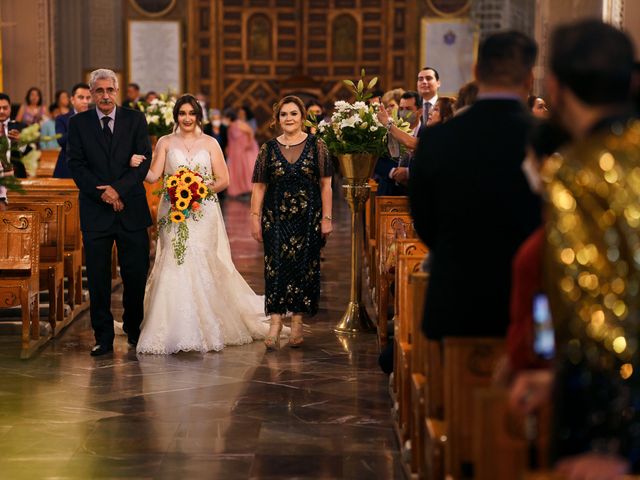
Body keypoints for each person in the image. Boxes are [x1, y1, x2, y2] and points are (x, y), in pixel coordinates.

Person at [509, 20, 640, 478]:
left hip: (613, 409)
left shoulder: (577, 170)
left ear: (556, 87)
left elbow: (580, 301)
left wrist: (609, 438)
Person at [409, 31, 541, 340]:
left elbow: (424, 221)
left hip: (456, 297)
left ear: (477, 73)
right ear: (530, 78)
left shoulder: (437, 139)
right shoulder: (546, 137)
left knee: (451, 387)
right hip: (527, 302)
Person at [129, 94, 276, 354]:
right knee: (174, 259)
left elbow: (224, 179)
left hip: (202, 210)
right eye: (182, 113)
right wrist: (136, 164)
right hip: (172, 209)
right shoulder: (165, 142)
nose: (187, 118)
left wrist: (198, 188)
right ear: (176, 116)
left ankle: (206, 325)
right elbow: (154, 176)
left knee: (200, 259)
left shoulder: (210, 143)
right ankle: (170, 326)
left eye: (191, 113)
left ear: (198, 116)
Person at [67, 68, 152, 356]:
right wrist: (104, 193)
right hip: (95, 211)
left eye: (109, 90)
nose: (105, 95)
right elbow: (76, 165)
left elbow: (144, 162)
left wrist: (119, 190)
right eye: (99, 90)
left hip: (131, 210)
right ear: (91, 94)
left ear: (117, 91)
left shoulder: (134, 119)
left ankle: (134, 328)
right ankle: (102, 336)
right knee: (100, 278)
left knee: (136, 274)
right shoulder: (78, 124)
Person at [250, 95, 333, 350]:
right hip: (275, 217)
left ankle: (297, 322)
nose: (289, 118)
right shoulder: (268, 149)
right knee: (275, 268)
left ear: (302, 117)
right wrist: (255, 218)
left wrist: (327, 218)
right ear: (277, 119)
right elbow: (259, 187)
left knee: (303, 267)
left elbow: (326, 185)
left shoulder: (318, 146)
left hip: (308, 218)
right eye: (284, 114)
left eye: (293, 114)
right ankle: (275, 323)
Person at [374, 91, 423, 195]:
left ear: (420, 111)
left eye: (408, 109)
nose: (403, 112)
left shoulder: (427, 133)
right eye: (401, 109)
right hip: (389, 190)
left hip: (416, 193)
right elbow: (375, 158)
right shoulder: (387, 131)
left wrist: (408, 172)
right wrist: (393, 172)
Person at [53, 83, 91, 179]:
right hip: (66, 168)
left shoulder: (95, 118)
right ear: (72, 100)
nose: (85, 101)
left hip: (89, 170)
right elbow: (61, 141)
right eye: (81, 97)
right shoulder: (62, 119)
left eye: (88, 98)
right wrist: (78, 123)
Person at [226, 107, 259, 197]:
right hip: (236, 151)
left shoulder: (239, 124)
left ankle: (248, 189)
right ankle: (240, 190)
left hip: (244, 150)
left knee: (246, 169)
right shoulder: (231, 126)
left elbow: (251, 132)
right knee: (237, 170)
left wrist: (249, 143)